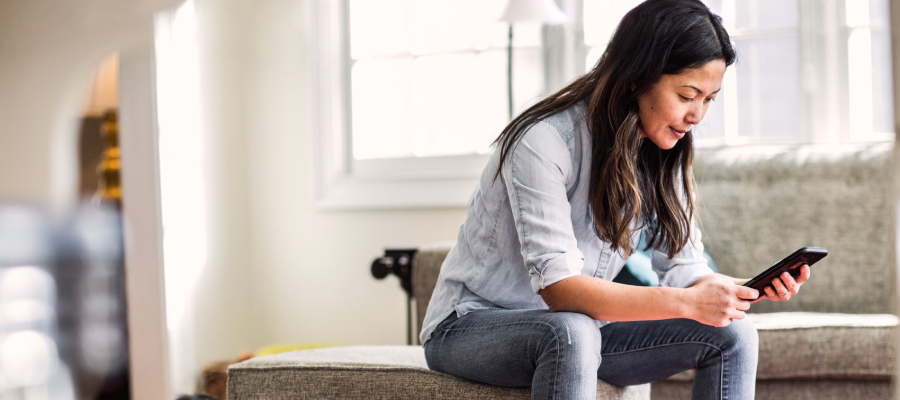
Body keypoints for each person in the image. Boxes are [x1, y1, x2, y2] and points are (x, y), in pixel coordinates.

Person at [419, 0, 813, 399]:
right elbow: (561, 291)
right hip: (470, 327)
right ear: (636, 79)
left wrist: (741, 290)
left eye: (708, 99)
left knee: (734, 333)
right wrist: (688, 303)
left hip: (583, 331)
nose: (697, 115)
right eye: (687, 94)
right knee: (571, 331)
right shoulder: (543, 141)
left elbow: (685, 268)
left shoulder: (664, 150)